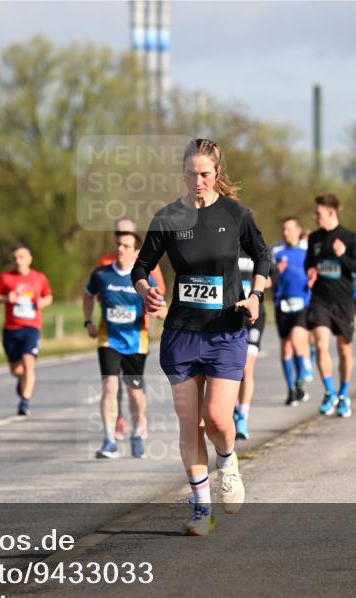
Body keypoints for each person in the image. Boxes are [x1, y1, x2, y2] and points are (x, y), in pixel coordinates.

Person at [133, 138, 270, 536]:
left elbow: (261, 255)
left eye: (206, 174)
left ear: (216, 173)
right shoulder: (167, 217)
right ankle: (200, 507)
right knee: (189, 423)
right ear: (183, 172)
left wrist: (256, 295)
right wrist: (146, 291)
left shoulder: (235, 214)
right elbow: (140, 267)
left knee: (216, 418)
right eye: (192, 173)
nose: (199, 181)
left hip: (226, 330)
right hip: (182, 334)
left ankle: (227, 462)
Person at [84, 231, 165, 459]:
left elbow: (160, 306)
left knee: (135, 393)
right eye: (119, 244)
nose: (120, 249)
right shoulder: (101, 274)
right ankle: (109, 440)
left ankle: (138, 432)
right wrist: (88, 320)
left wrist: (161, 312)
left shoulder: (145, 279)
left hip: (136, 342)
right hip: (108, 339)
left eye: (126, 246)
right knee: (110, 386)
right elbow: (87, 295)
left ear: (136, 252)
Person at [305, 194, 356, 418]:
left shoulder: (350, 238)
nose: (314, 217)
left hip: (344, 301)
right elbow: (309, 264)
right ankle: (329, 392)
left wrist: (342, 256)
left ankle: (343, 394)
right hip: (320, 299)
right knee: (321, 344)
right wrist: (310, 273)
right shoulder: (314, 239)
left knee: (344, 349)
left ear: (331, 212)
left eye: (318, 213)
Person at [0, 245, 53, 416]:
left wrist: (42, 302)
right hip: (11, 329)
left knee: (28, 364)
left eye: (22, 257)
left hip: (31, 327)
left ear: (29, 259)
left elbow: (49, 296)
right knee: (16, 370)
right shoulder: (6, 278)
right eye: (15, 258)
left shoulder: (39, 278)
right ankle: (21, 379)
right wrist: (5, 298)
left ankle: (24, 402)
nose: (18, 261)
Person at [233, 242, 275, 437]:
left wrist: (257, 284)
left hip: (254, 316)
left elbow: (273, 278)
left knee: (246, 368)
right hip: (231, 314)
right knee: (232, 368)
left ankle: (242, 415)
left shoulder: (259, 249)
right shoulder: (226, 246)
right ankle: (231, 411)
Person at [270, 217, 312, 407]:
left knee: (297, 342)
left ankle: (300, 381)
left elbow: (315, 270)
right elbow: (268, 275)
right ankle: (291, 388)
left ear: (298, 230)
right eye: (284, 229)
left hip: (302, 302)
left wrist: (313, 278)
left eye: (289, 229)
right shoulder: (275, 250)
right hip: (282, 303)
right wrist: (276, 271)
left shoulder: (306, 249)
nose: (286, 233)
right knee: (286, 347)